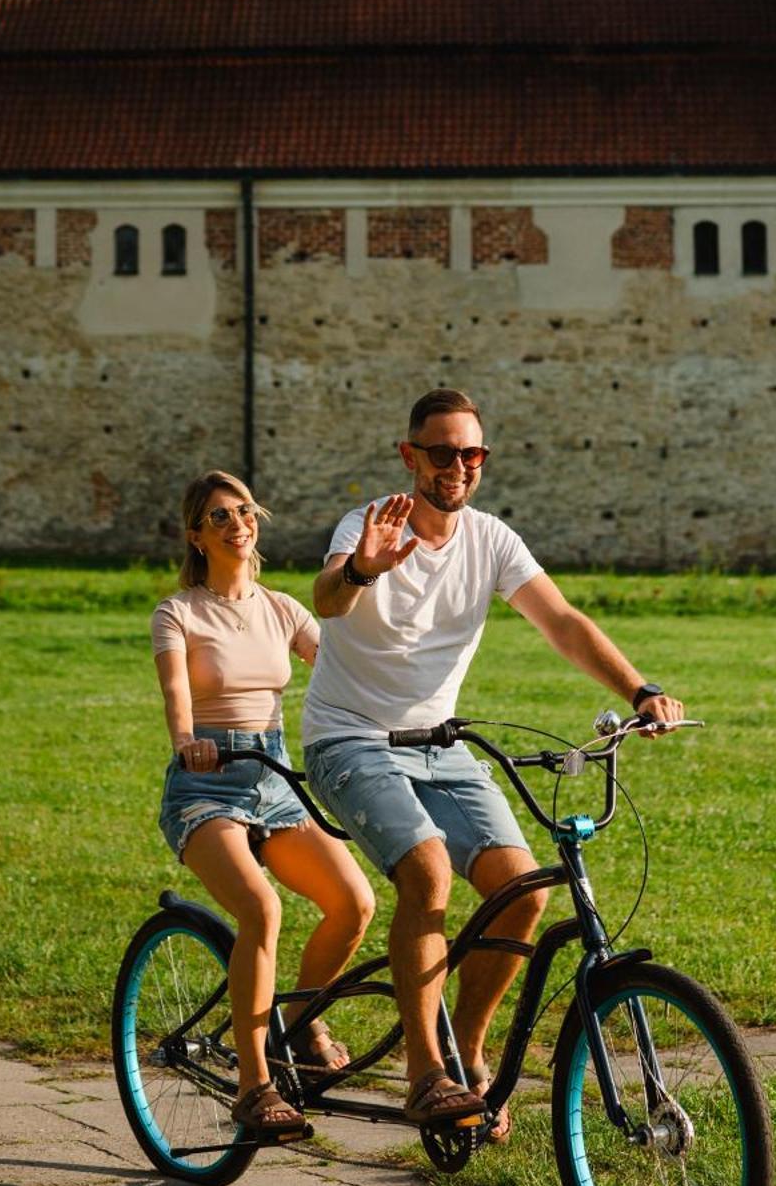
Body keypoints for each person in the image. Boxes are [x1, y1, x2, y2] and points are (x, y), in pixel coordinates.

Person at [304, 389, 683, 1134]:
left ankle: (466, 1053)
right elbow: (327, 601)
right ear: (409, 455)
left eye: (469, 453)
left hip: (439, 744)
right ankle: (423, 1075)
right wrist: (360, 572)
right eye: (440, 452)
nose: (455, 467)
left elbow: (563, 623)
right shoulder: (369, 524)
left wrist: (640, 689)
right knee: (427, 872)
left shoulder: (491, 540)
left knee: (522, 890)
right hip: (349, 739)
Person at [153, 470, 375, 1141]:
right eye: (218, 516)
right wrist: (188, 742)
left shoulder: (281, 607)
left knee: (353, 902)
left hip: (272, 779)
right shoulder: (178, 612)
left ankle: (301, 1023)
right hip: (207, 784)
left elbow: (339, 665)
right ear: (197, 535)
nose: (236, 523)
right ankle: (255, 1086)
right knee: (262, 908)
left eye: (244, 510)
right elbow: (175, 696)